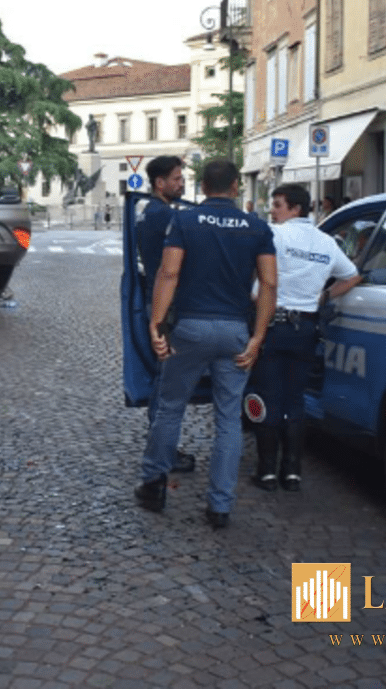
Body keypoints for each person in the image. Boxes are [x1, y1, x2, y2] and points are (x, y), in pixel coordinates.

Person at [135, 158, 277, 530]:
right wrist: (258, 336)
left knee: (170, 406)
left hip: (191, 328)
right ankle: (219, 506)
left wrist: (156, 324)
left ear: (204, 185)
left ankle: (154, 486)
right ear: (235, 187)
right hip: (234, 332)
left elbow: (169, 272)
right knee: (229, 418)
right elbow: (270, 284)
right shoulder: (257, 227)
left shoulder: (184, 220)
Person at [250, 183, 360, 493]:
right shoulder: (326, 242)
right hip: (307, 329)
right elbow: (353, 275)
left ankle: (267, 471)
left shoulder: (274, 235)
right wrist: (323, 297)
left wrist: (253, 298)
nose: (272, 209)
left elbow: (259, 284)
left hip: (274, 325)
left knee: (268, 396)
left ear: (295, 209)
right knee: (295, 398)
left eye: (277, 204)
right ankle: (293, 472)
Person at [137, 155, 195, 474]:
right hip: (166, 305)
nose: (181, 183)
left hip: (157, 301)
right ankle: (163, 452)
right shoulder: (163, 216)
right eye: (176, 178)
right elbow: (171, 267)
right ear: (160, 183)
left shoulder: (151, 212)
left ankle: (161, 446)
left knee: (164, 376)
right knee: (167, 379)